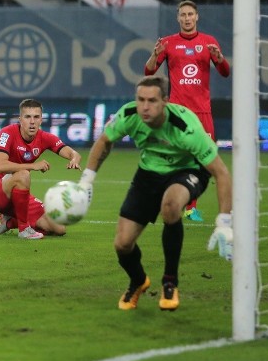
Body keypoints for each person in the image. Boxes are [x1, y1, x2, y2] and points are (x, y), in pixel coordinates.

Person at [78, 76, 233, 312]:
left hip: (188, 170)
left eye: (152, 100)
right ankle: (138, 281)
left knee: (170, 206)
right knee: (122, 244)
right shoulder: (130, 115)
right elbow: (104, 141)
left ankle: (170, 282)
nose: (145, 106)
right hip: (149, 173)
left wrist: (224, 222)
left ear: (165, 102)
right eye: (140, 100)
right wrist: (86, 181)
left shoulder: (186, 127)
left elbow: (221, 174)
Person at [143, 0, 231, 221]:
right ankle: (181, 204)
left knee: (205, 158)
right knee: (176, 157)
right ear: (178, 18)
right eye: (183, 14)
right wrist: (155, 55)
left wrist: (219, 59)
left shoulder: (208, 42)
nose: (187, 18)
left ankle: (191, 205)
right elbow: (148, 71)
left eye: (190, 14)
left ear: (197, 16)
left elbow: (225, 72)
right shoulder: (167, 43)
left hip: (202, 112)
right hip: (177, 112)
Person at [0, 99, 82, 239]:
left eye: (36, 117)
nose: (32, 121)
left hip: (20, 193)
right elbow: (0, 166)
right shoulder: (6, 133)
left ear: (41, 120)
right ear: (20, 119)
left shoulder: (45, 138)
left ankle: (9, 222)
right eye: (27, 117)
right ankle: (24, 230)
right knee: (24, 174)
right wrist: (33, 166)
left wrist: (74, 159)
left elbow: (72, 153)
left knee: (59, 228)